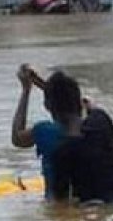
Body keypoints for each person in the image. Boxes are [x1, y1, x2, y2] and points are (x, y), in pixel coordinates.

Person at [46, 73, 113, 205]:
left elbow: (61, 205)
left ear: (47, 106)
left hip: (104, 206)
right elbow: (95, 112)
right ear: (79, 102)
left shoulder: (61, 154)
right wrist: (91, 108)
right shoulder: (100, 119)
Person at [12, 65, 76, 198]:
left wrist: (26, 90)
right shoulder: (95, 123)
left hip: (57, 205)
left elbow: (17, 138)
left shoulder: (45, 131)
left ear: (47, 105)